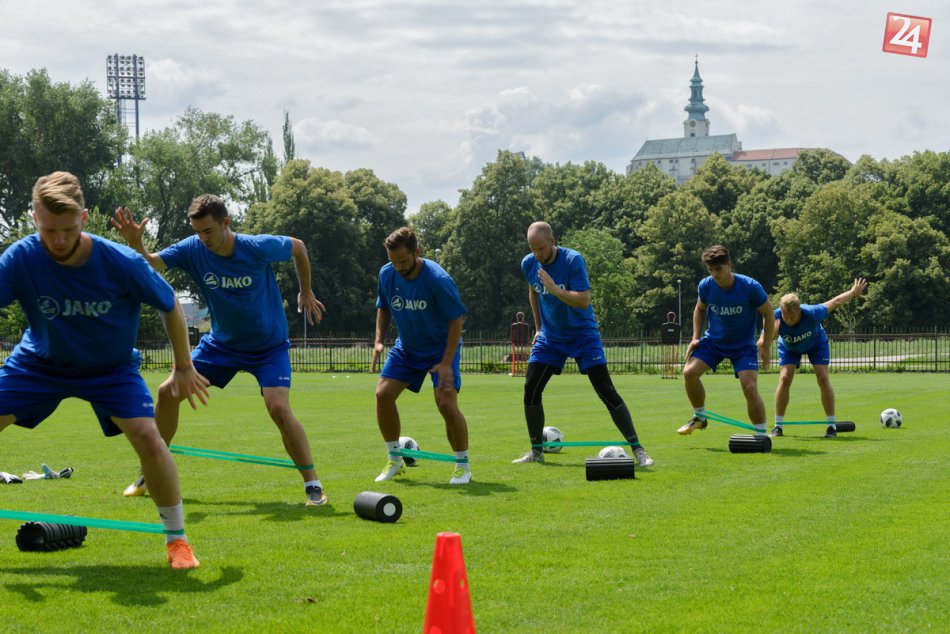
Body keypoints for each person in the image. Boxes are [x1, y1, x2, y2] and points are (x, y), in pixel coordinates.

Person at [0, 172, 209, 568]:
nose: (58, 240)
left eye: (68, 229)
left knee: (149, 439)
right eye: (48, 230)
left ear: (84, 218)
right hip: (39, 363)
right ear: (34, 219)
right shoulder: (21, 257)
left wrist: (184, 365)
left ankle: (177, 542)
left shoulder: (119, 261)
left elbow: (169, 303)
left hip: (109, 370)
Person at [111, 194, 328, 506]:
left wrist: (305, 290)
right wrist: (136, 244)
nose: (204, 239)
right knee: (167, 392)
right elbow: (152, 264)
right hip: (221, 346)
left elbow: (299, 247)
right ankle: (151, 471)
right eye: (198, 232)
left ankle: (313, 484)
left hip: (268, 347)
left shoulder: (256, 246)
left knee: (279, 408)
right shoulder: (193, 248)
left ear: (226, 222)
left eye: (209, 231)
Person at [512, 221, 654, 467]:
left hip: (582, 336)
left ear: (552, 241)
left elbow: (584, 300)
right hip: (551, 338)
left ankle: (639, 450)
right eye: (533, 249)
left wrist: (555, 290)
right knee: (531, 389)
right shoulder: (529, 263)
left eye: (541, 249)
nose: (537, 255)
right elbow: (533, 291)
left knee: (606, 391)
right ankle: (536, 451)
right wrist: (538, 327)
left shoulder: (573, 260)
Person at [371, 227, 471, 485]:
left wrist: (446, 362)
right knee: (383, 395)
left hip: (440, 348)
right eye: (393, 261)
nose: (398, 267)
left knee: (446, 404)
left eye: (403, 261)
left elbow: (456, 319)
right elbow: (384, 307)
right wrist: (379, 340)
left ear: (417, 252)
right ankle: (395, 460)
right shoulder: (386, 274)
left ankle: (463, 466)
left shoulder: (438, 279)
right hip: (408, 348)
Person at [678, 245, 774, 436]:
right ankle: (700, 418)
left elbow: (769, 313)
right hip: (714, 342)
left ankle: (761, 435)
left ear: (729, 264)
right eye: (710, 270)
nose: (714, 274)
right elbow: (700, 309)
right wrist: (695, 337)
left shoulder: (750, 286)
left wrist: (766, 344)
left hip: (743, 346)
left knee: (750, 387)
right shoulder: (706, 285)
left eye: (718, 269)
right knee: (689, 372)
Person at [766, 278, 868, 439]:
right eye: (786, 317)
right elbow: (766, 340)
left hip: (816, 343)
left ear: (799, 311)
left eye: (792, 317)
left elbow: (836, 302)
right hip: (789, 347)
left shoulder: (812, 313)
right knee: (784, 378)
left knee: (823, 378)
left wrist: (853, 293)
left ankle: (831, 426)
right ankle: (778, 426)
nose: (789, 320)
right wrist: (773, 332)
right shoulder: (775, 317)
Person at [660, 311, 680, 379]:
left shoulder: (677, 326)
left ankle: (673, 374)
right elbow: (663, 334)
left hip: (674, 342)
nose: (671, 317)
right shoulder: (664, 326)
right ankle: (665, 374)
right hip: (666, 342)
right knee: (666, 357)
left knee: (674, 358)